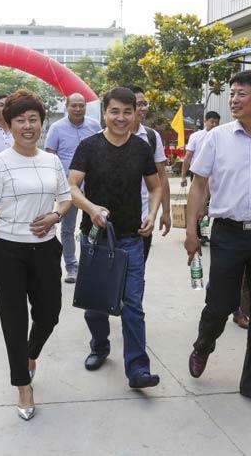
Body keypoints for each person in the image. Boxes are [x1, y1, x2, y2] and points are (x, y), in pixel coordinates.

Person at [184, 70, 251, 411]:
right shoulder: (216, 138)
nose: (234, 99)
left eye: (241, 93)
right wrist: (191, 232)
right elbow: (199, 186)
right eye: (232, 93)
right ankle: (203, 345)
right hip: (228, 233)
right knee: (219, 304)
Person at [0, 89, 72, 421]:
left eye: (33, 119)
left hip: (46, 249)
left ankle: (30, 355)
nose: (28, 126)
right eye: (20, 120)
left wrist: (55, 215)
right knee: (14, 319)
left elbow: (65, 198)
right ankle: (23, 385)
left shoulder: (51, 161)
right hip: (8, 250)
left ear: (42, 123)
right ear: (9, 124)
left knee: (50, 313)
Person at [69, 87, 162, 389]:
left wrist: (153, 213)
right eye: (115, 111)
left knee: (133, 303)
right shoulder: (89, 146)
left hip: (132, 238)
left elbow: (155, 186)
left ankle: (138, 369)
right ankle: (99, 345)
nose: (121, 118)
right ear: (105, 113)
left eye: (127, 112)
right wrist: (91, 208)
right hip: (95, 239)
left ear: (135, 114)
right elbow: (71, 186)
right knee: (96, 303)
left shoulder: (142, 148)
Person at [44, 92, 102, 283]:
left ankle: (92, 265)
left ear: (86, 106)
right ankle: (72, 267)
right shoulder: (56, 128)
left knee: (95, 226)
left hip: (93, 186)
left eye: (81, 105)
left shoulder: (95, 126)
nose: (78, 109)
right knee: (68, 229)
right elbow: (50, 157)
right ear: (66, 107)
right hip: (67, 188)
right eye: (73, 105)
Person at [130, 86, 171, 262]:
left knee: (138, 270)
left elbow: (161, 177)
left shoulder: (151, 136)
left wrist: (166, 211)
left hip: (144, 219)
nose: (144, 108)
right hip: (113, 220)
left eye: (145, 104)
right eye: (139, 104)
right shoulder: (105, 137)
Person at [181, 111, 221, 245]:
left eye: (216, 123)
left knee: (209, 204)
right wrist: (183, 176)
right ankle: (196, 232)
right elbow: (188, 157)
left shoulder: (220, 136)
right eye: (212, 122)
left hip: (214, 176)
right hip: (198, 174)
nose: (214, 125)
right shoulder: (196, 136)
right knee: (198, 202)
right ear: (205, 121)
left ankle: (204, 231)